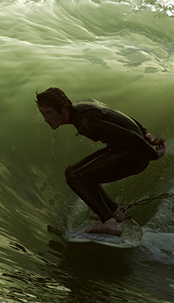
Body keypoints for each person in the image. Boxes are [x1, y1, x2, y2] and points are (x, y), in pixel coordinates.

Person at [36, 87, 166, 236]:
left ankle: (109, 223)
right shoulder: (83, 105)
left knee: (75, 177)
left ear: (64, 108)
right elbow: (120, 116)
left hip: (134, 156)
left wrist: (153, 155)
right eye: (43, 114)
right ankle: (115, 214)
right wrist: (146, 134)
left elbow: (128, 135)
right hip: (125, 150)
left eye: (49, 112)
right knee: (73, 172)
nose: (46, 119)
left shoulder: (86, 122)